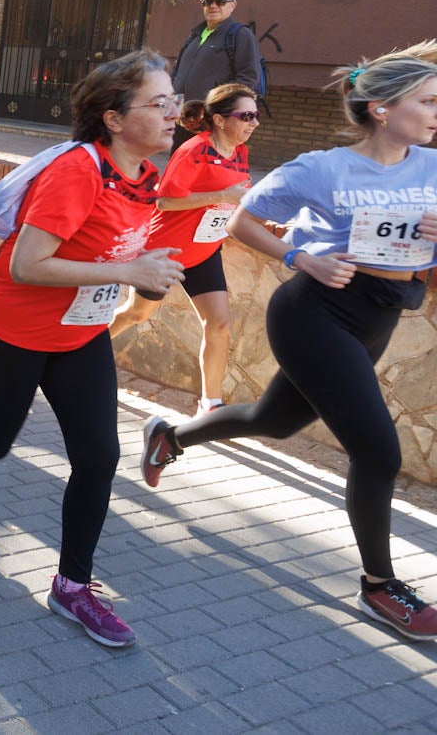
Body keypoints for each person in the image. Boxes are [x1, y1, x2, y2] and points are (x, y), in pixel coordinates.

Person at [0, 49, 186, 648]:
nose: (174, 112)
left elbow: (109, 249)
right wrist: (128, 271)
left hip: (78, 335)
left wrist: (143, 267)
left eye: (173, 100)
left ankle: (72, 587)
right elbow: (27, 264)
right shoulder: (78, 172)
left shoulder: (145, 177)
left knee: (98, 457)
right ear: (114, 118)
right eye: (158, 103)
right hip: (7, 330)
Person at [142, 41, 437, 641]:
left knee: (274, 421)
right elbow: (243, 218)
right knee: (379, 453)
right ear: (382, 108)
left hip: (380, 313)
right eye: (428, 101)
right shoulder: (323, 168)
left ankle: (171, 436)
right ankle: (379, 586)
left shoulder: (432, 168)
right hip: (315, 312)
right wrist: (302, 257)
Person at [110, 84, 258, 414]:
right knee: (137, 314)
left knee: (219, 324)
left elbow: (233, 197)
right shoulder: (194, 150)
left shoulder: (240, 153)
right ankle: (85, 354)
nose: (254, 122)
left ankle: (210, 406)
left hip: (204, 251)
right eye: (246, 116)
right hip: (165, 250)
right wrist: (222, 196)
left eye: (256, 115)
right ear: (220, 120)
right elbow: (163, 201)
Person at [169, 0, 261, 151]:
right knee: (180, 160)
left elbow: (248, 77)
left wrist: (216, 107)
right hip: (183, 118)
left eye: (220, 1)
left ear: (232, 5)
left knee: (205, 162)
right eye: (207, 2)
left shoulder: (240, 35)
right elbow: (178, 70)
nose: (213, 5)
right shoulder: (195, 35)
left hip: (210, 121)